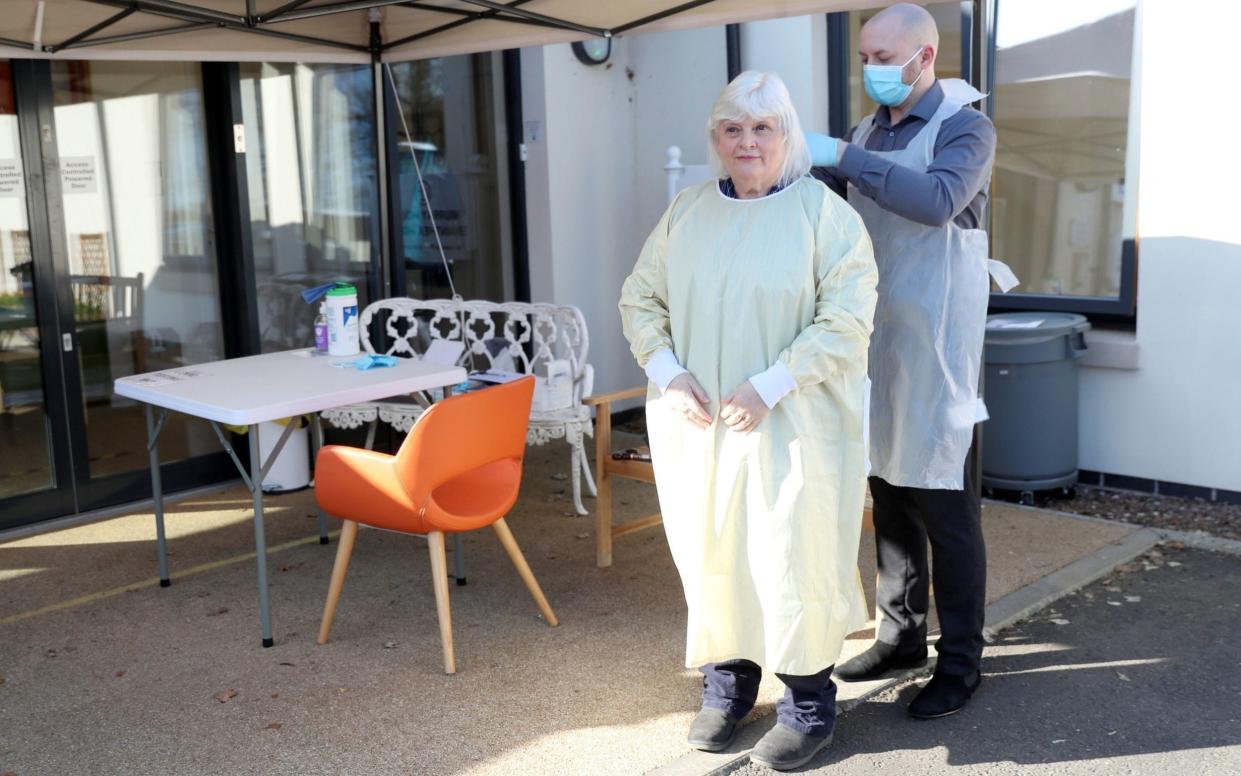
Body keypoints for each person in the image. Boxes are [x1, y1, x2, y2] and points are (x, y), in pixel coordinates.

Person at [619, 71, 878, 771]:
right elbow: (640, 300)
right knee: (714, 549)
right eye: (731, 129)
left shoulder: (825, 218)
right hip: (699, 426)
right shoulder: (687, 212)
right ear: (715, 139)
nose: (746, 142)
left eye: (761, 128)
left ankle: (805, 702)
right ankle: (727, 686)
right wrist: (669, 373)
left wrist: (770, 384)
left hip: (794, 424)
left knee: (792, 552)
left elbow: (847, 320)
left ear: (786, 136)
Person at [807, 2, 1011, 719]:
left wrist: (842, 156)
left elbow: (936, 200)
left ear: (924, 57)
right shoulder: (869, 128)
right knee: (886, 488)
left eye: (883, 58)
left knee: (941, 501)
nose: (870, 71)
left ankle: (960, 663)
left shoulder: (965, 126)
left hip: (934, 345)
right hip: (873, 334)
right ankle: (899, 637)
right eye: (863, 57)